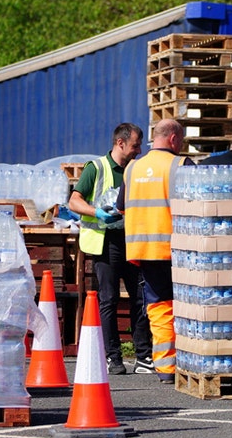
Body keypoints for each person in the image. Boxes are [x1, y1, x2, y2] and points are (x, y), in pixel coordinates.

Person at [68, 123, 153, 376]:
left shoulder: (136, 170)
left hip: (132, 240)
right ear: (120, 143)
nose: (139, 150)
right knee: (109, 298)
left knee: (141, 298)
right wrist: (97, 213)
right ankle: (112, 357)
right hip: (106, 242)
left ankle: (142, 356)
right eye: (136, 145)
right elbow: (73, 200)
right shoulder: (97, 168)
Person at [119, 118, 191, 382]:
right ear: (173, 139)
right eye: (181, 140)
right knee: (187, 306)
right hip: (176, 249)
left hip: (142, 249)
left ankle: (165, 367)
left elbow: (121, 207)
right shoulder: (179, 165)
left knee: (158, 306)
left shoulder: (132, 168)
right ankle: (186, 360)